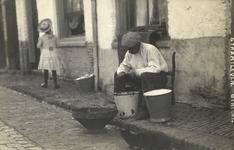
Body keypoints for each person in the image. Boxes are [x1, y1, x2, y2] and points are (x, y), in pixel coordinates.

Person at [114, 32, 168, 120]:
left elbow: (155, 69)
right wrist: (121, 71)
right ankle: (120, 105)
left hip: (159, 78)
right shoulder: (129, 53)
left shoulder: (150, 49)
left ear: (138, 44)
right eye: (128, 48)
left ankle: (145, 109)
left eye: (131, 48)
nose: (129, 50)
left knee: (145, 76)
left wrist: (136, 71)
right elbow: (124, 65)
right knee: (118, 75)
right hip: (141, 79)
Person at [37, 18, 64, 89]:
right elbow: (58, 45)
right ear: (50, 28)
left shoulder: (41, 38)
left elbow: (38, 46)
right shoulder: (55, 37)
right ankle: (55, 84)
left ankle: (46, 83)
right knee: (54, 68)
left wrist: (41, 44)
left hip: (45, 53)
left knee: (46, 69)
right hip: (53, 52)